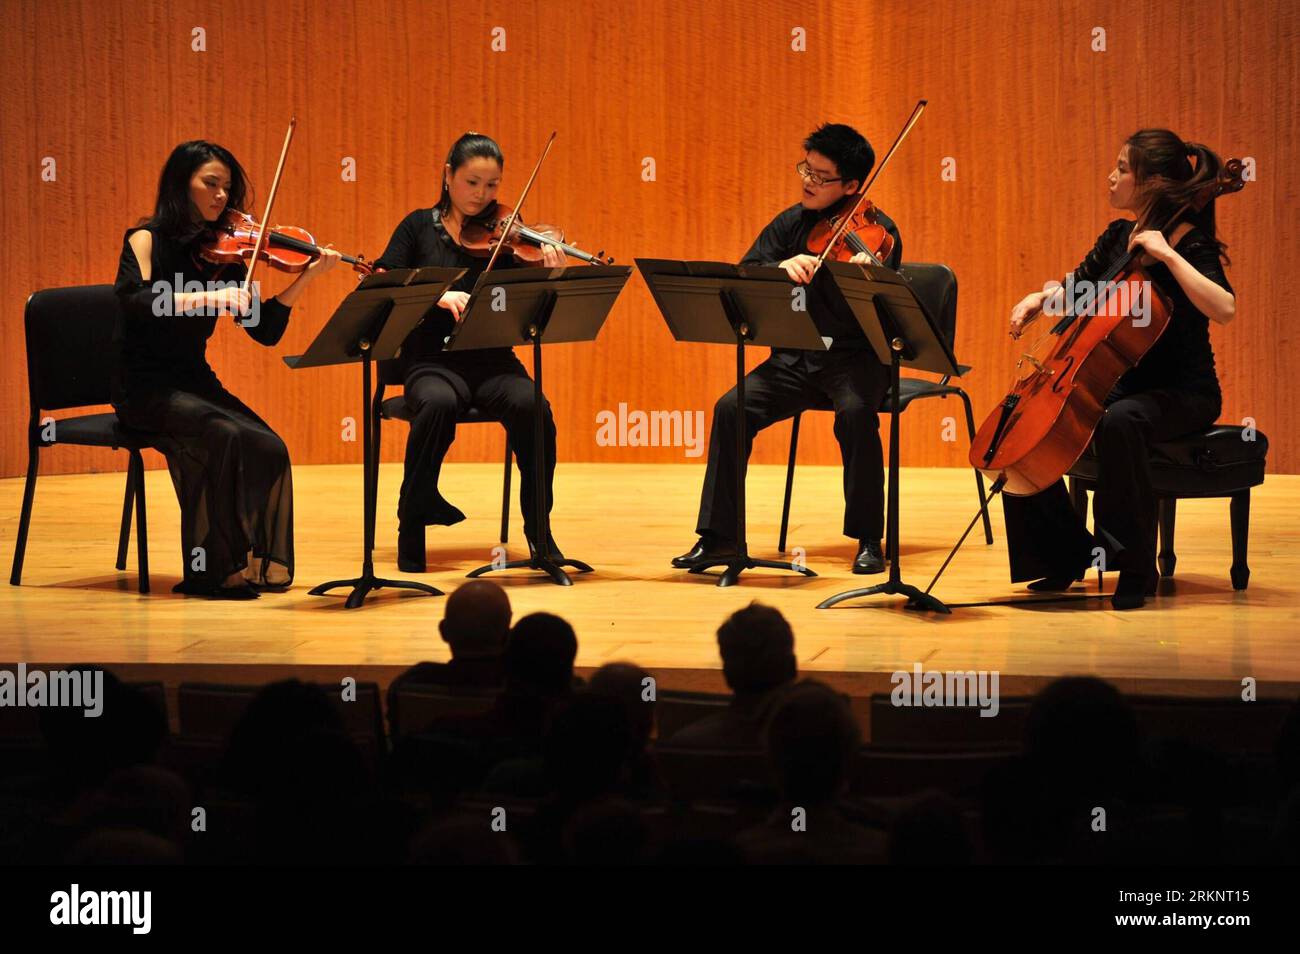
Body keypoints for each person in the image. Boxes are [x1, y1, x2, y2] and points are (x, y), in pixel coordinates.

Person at [1001, 130, 1237, 610]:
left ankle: (1134, 567)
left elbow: (1225, 307)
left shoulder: (1190, 243)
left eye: (1123, 168)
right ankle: (1063, 556)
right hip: (1121, 383)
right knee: (1020, 424)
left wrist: (1168, 254)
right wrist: (1041, 298)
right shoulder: (1116, 238)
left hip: (1182, 392)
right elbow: (1079, 288)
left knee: (1121, 421)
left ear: (1151, 183)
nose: (1112, 175)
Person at [672, 123, 902, 575]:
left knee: (855, 416)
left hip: (856, 360)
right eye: (806, 170)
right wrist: (781, 266)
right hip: (795, 359)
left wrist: (867, 275)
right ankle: (719, 537)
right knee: (731, 408)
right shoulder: (790, 223)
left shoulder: (879, 232)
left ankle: (869, 538)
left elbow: (889, 302)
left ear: (852, 185)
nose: (807, 182)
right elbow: (746, 273)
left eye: (820, 176)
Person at [113, 140, 340, 599]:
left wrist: (306, 278)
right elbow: (133, 301)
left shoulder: (226, 254)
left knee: (268, 445)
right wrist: (204, 297)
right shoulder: (145, 240)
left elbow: (263, 329)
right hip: (143, 386)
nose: (221, 196)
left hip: (193, 380)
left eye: (227, 188)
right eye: (210, 184)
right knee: (223, 435)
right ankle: (215, 571)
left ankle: (252, 561)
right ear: (182, 184)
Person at [372, 132, 568, 572]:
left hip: (493, 361)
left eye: (492, 185)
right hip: (431, 361)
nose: (483, 195)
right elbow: (383, 280)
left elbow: (531, 310)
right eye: (472, 182)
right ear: (448, 176)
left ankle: (540, 532)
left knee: (533, 408)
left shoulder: (510, 238)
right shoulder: (418, 228)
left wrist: (550, 277)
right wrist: (436, 295)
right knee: (438, 404)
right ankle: (413, 518)